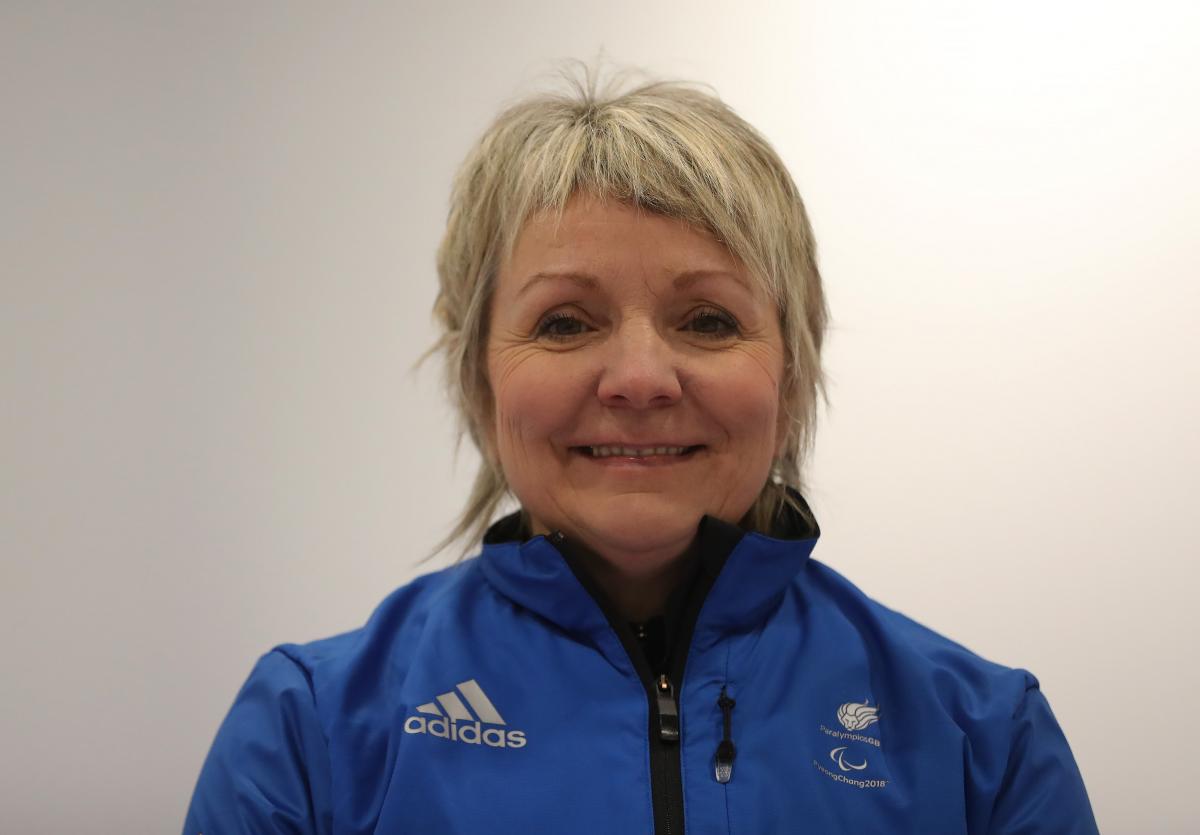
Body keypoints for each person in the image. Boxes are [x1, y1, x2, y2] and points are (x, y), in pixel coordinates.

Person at [184, 69, 1098, 834]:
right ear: (480, 377)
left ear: (790, 371)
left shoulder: (984, 740)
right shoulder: (312, 731)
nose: (639, 377)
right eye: (565, 321)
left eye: (707, 319)